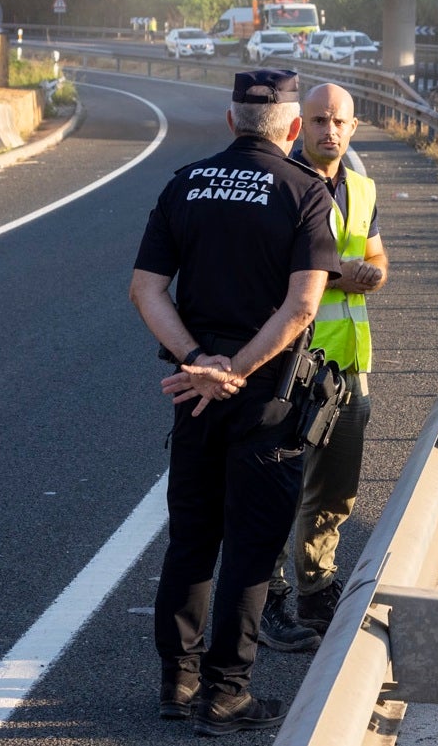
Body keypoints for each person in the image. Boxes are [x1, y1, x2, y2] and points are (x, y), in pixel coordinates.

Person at [128, 68, 341, 736]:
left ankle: (177, 679)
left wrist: (199, 363)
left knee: (191, 538)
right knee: (250, 548)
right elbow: (303, 305)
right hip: (267, 397)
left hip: (193, 396)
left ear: (229, 121)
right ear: (294, 128)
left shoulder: (184, 183)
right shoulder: (307, 191)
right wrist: (239, 369)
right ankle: (225, 693)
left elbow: (146, 290)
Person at [260, 82, 389, 652]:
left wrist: (373, 273)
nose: (329, 130)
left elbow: (376, 255)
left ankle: (316, 589)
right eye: (318, 120)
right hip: (290, 363)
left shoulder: (361, 188)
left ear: (353, 127)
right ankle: (268, 600)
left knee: (336, 490)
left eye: (338, 121)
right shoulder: (280, 184)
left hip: (348, 364)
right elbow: (284, 269)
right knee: (279, 483)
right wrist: (345, 273)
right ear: (298, 126)